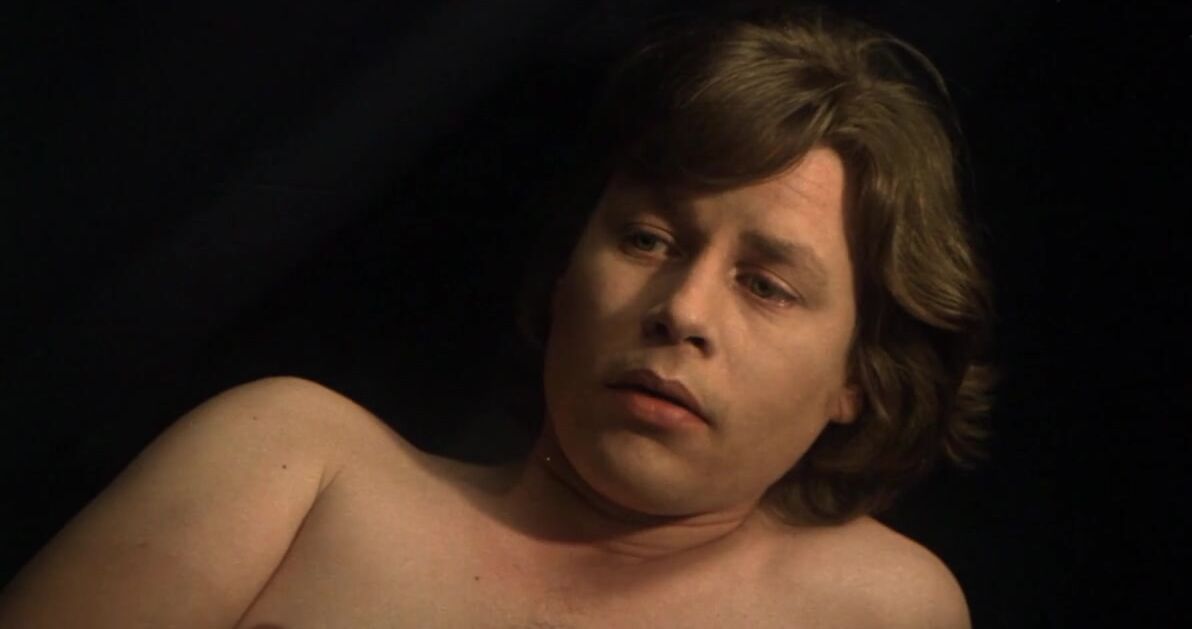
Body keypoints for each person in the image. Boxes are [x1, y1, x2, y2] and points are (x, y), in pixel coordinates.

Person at [0, 6, 992, 628]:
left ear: (859, 377)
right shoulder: (289, 463)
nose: (682, 309)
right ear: (567, 269)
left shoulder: (870, 605)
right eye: (648, 238)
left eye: (766, 284)